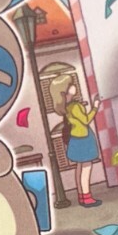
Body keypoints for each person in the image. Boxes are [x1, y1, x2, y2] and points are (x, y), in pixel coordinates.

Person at [49, 72, 102, 209]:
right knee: (86, 168)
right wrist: (95, 107)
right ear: (65, 90)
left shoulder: (66, 107)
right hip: (83, 138)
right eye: (70, 84)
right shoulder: (74, 106)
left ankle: (82, 196)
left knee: (79, 167)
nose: (74, 86)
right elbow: (86, 120)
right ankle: (87, 198)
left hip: (75, 138)